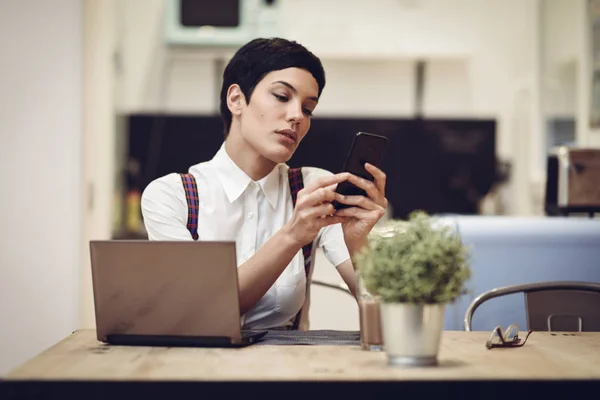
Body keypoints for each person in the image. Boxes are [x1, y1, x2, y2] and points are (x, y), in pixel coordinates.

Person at [141, 37, 388, 330]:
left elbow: (385, 322)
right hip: (198, 369)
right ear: (236, 100)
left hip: (286, 372)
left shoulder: (312, 189)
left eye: (308, 109)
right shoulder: (172, 196)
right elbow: (202, 310)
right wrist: (293, 236)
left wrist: (359, 245)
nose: (297, 115)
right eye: (282, 97)